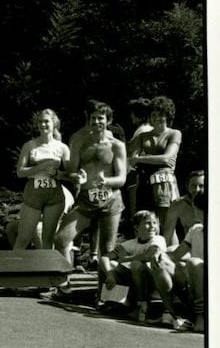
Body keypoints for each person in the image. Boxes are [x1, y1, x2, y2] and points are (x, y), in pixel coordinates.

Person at [54, 100, 128, 296]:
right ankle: (65, 286)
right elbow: (71, 171)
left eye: (101, 118)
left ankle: (104, 296)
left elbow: (122, 178)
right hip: (86, 199)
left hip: (111, 200)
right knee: (62, 238)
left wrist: (107, 181)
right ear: (88, 120)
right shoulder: (79, 141)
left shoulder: (117, 146)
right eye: (93, 118)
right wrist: (77, 177)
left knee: (107, 250)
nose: (97, 122)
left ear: (108, 120)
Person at [13, 108, 70, 250]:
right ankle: (13, 270)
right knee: (23, 238)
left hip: (54, 195)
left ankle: (47, 272)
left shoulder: (62, 148)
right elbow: (20, 172)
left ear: (54, 123)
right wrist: (40, 167)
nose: (43, 125)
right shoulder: (30, 145)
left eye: (46, 121)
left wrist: (57, 174)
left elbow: (70, 175)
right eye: (40, 122)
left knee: (48, 240)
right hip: (33, 194)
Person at [151, 190, 205, 333]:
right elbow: (176, 254)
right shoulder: (195, 230)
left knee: (194, 263)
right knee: (160, 262)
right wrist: (159, 253)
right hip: (193, 286)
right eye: (200, 209)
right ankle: (172, 315)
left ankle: (201, 317)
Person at [99, 210, 167, 323]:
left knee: (136, 265)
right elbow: (104, 258)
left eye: (154, 223)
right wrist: (110, 274)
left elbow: (147, 256)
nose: (152, 227)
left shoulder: (158, 239)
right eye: (148, 223)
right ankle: (112, 301)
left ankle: (141, 306)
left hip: (155, 283)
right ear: (136, 227)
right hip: (136, 282)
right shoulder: (131, 243)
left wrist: (126, 258)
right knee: (111, 265)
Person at [128, 95, 182, 227]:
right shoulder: (142, 136)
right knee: (145, 222)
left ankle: (170, 248)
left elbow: (167, 158)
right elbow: (131, 161)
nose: (156, 118)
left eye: (160, 115)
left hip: (163, 182)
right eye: (153, 114)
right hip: (144, 182)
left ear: (167, 116)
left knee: (166, 223)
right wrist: (156, 160)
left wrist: (141, 159)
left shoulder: (174, 133)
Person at [163, 169, 205, 246]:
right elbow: (167, 235)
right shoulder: (178, 205)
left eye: (201, 186)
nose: (197, 189)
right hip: (189, 249)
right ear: (187, 187)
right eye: (193, 186)